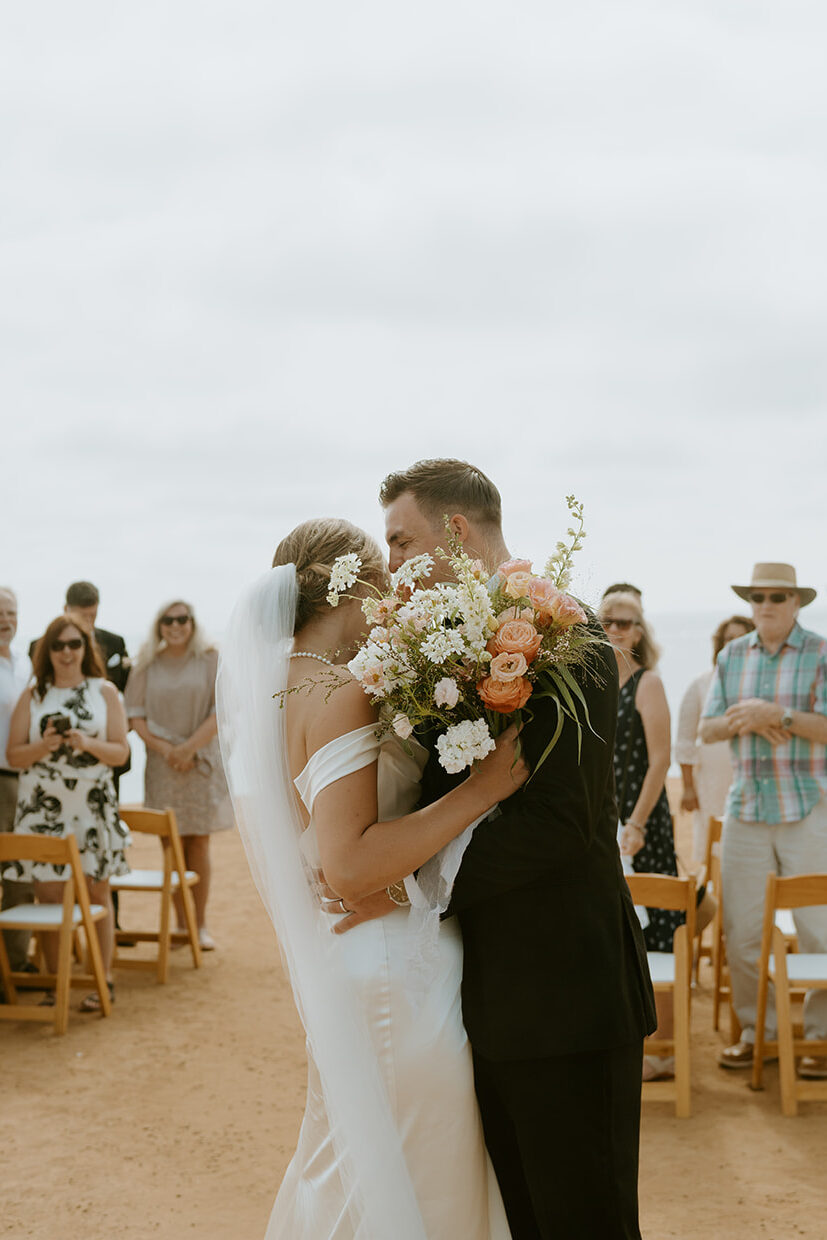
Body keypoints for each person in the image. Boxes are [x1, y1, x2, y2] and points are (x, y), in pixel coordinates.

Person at [367, 460, 655, 1240]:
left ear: (455, 532)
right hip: (487, 1003)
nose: (389, 561)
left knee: (586, 1222)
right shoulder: (439, 652)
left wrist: (412, 879)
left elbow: (564, 824)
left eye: (400, 540)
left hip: (570, 997)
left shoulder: (573, 639)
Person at [216, 517, 527, 1239]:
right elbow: (348, 863)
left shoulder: (279, 688)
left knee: (352, 1167)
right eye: (382, 580)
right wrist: (481, 790)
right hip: (389, 962)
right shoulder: (338, 688)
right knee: (419, 1176)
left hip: (347, 956)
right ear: (352, 588)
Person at [700, 563, 827, 1077]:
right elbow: (708, 730)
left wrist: (779, 717)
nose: (767, 604)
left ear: (796, 602)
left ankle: (819, 1036)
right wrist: (745, 715)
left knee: (818, 929)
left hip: (808, 809)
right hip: (746, 810)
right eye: (759, 596)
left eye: (778, 596)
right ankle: (759, 1032)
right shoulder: (732, 656)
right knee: (743, 931)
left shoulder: (820, 653)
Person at [5, 615, 130, 1010]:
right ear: (47, 651)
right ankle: (55, 983)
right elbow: (14, 756)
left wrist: (85, 742)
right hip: (43, 810)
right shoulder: (32, 695)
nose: (66, 652)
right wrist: (45, 745)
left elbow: (121, 753)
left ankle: (102, 979)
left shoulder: (105, 691)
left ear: (84, 649)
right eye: (57, 645)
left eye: (74, 644)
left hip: (92, 808)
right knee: (49, 896)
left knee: (97, 892)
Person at [125, 601, 232, 952]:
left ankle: (199, 926)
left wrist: (189, 748)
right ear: (159, 625)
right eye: (168, 620)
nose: (176, 625)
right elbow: (135, 716)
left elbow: (221, 711)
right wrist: (167, 750)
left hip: (200, 760)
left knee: (198, 842)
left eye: (182, 619)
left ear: (192, 623)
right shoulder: (145, 665)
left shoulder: (210, 659)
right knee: (171, 844)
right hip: (162, 764)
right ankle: (180, 925)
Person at [676, 614, 755, 866]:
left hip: (751, 781)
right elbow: (685, 741)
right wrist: (688, 787)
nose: (734, 643)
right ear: (719, 644)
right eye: (729, 638)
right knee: (711, 851)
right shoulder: (701, 684)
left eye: (742, 638)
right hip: (710, 783)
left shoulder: (761, 684)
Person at [0, 587, 34, 973]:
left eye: (10, 612)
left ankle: (17, 963)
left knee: (22, 871)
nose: (5, 620)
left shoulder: (25, 664)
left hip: (27, 780)